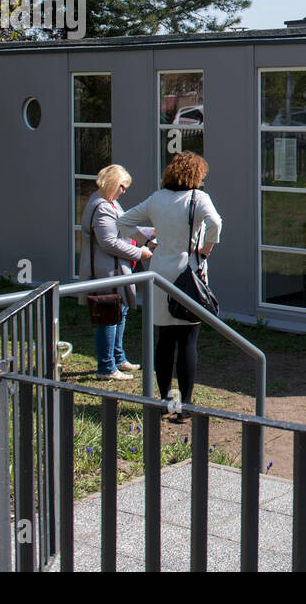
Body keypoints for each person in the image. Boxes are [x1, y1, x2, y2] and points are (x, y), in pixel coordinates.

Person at [117, 151, 221, 423]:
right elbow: (216, 223)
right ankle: (184, 406)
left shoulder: (157, 199)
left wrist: (148, 241)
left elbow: (123, 221)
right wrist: (205, 249)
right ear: (197, 174)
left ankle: (166, 401)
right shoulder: (199, 199)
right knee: (187, 340)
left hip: (161, 274)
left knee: (164, 340)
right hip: (190, 274)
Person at [80, 164, 153, 380]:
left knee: (120, 313)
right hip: (107, 273)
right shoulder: (101, 206)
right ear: (112, 183)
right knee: (109, 317)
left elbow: (125, 227)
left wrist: (150, 232)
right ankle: (107, 367)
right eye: (122, 186)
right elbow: (109, 243)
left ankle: (118, 358)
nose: (124, 191)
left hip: (115, 271)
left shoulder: (108, 202)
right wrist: (140, 253)